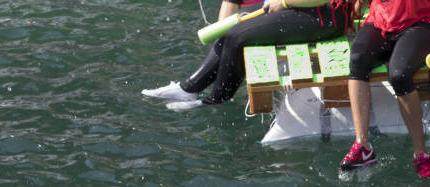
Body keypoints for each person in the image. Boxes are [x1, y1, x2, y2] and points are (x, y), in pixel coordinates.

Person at [338, 0, 430, 175]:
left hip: (418, 28)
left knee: (399, 75)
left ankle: (421, 152)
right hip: (378, 23)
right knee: (358, 60)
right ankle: (362, 146)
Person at [141, 0, 353, 110]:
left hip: (325, 18)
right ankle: (188, 88)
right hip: (299, 8)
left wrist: (285, 3)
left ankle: (216, 101)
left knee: (236, 36)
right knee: (233, 23)